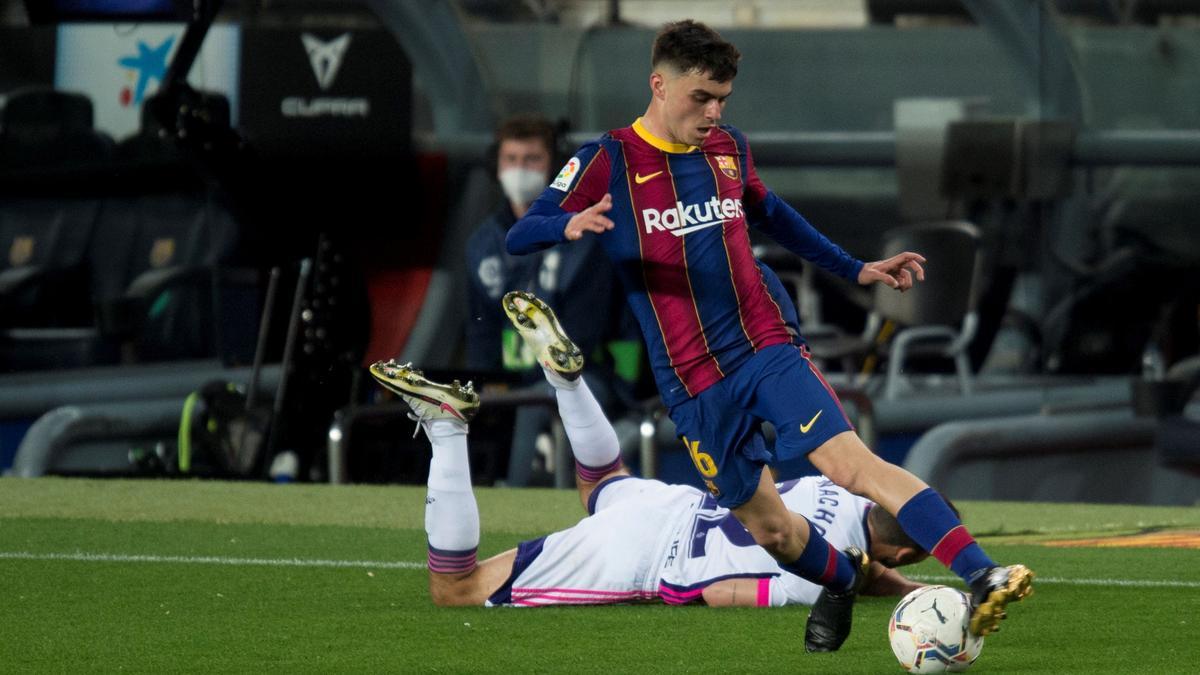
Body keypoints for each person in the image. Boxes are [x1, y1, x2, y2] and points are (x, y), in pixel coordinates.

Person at [504, 20, 1031, 651]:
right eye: (701, 97)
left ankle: (981, 573)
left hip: (765, 344)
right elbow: (520, 231)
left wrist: (857, 269)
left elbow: (775, 216)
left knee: (851, 464)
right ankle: (843, 581)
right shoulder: (606, 160)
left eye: (722, 98)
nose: (713, 112)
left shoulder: (729, 148)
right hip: (692, 381)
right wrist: (562, 229)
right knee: (771, 531)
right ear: (659, 85)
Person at [367, 295, 933, 610]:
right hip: (645, 556)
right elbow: (718, 593)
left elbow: (861, 559)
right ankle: (446, 430)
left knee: (601, 480)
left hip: (672, 506)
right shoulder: (812, 579)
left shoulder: (835, 487)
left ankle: (566, 383)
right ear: (902, 557)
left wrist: (888, 584)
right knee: (456, 590)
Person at [464, 114, 634, 486]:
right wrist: (476, 387)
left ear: (554, 168)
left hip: (587, 375)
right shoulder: (482, 244)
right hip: (508, 384)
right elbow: (480, 331)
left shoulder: (584, 233)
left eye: (532, 159)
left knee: (539, 402)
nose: (519, 169)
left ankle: (525, 504)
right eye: (511, 159)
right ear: (496, 164)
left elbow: (585, 332)